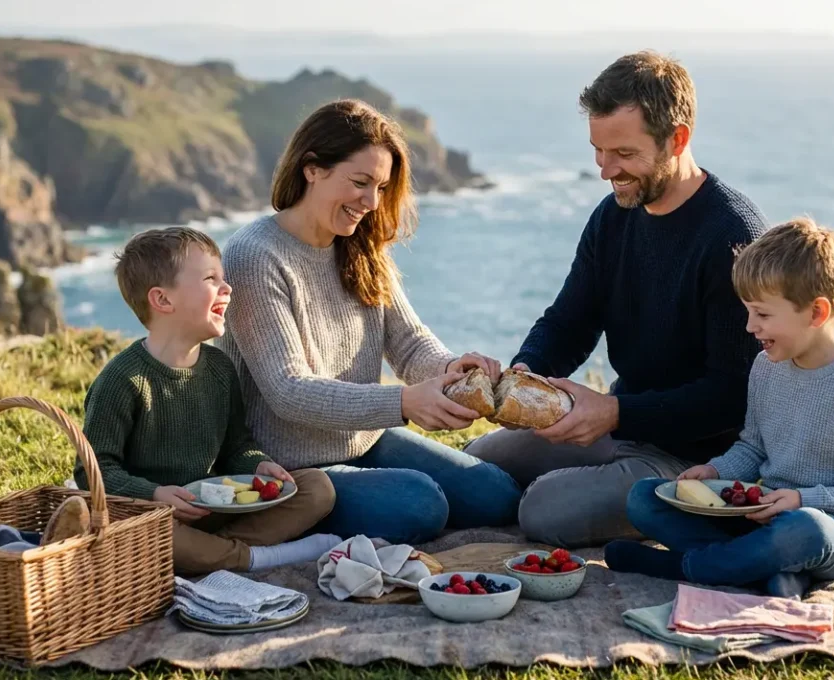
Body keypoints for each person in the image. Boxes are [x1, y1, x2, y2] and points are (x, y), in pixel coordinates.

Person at [465, 51, 768, 547]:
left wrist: (615, 412)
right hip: (621, 427)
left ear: (678, 138)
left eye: (623, 154)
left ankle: (682, 511)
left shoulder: (733, 237)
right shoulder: (613, 216)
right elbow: (570, 320)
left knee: (543, 512)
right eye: (598, 151)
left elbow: (734, 396)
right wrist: (523, 375)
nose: (606, 170)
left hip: (698, 457)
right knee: (477, 465)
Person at [218, 99, 520, 545]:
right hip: (289, 464)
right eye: (360, 183)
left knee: (497, 496)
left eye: (380, 187)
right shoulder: (254, 255)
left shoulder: (360, 246)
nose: (371, 202)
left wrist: (450, 370)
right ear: (312, 169)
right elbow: (288, 390)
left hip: (363, 440)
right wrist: (403, 403)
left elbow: (411, 344)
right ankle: (288, 520)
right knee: (421, 506)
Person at [605, 218, 834, 599]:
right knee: (646, 498)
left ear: (816, 312)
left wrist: (803, 500)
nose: (750, 326)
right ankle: (769, 573)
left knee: (803, 530)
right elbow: (754, 448)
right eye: (748, 312)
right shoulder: (766, 367)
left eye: (762, 315)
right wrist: (715, 471)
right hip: (763, 516)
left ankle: (690, 567)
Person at [76, 226, 340, 575]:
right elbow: (92, 471)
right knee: (161, 537)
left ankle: (215, 554)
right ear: (163, 300)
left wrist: (257, 465)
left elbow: (236, 447)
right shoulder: (122, 380)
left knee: (316, 489)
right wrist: (155, 494)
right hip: (155, 519)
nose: (227, 288)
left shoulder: (219, 368)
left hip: (216, 510)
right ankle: (257, 557)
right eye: (211, 278)